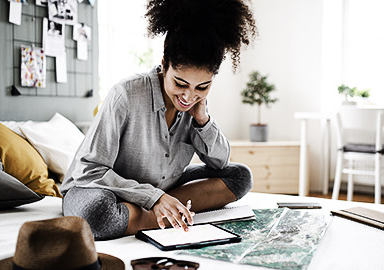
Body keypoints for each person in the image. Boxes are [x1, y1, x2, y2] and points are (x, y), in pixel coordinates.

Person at [61, 0, 257, 240]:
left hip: (162, 185)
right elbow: (89, 171)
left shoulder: (195, 102)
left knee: (240, 175)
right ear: (165, 64)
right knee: (97, 214)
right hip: (103, 188)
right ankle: (162, 215)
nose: (188, 96)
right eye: (180, 83)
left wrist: (202, 120)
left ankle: (147, 213)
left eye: (202, 87)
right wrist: (154, 198)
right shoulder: (126, 94)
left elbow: (220, 162)